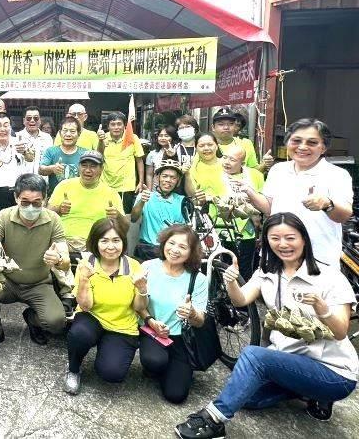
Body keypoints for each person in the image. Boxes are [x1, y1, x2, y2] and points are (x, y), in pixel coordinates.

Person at [175, 213, 358, 438]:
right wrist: (231, 281)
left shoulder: (330, 277)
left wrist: (323, 309)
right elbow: (241, 300)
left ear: (304, 239)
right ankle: (305, 390)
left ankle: (214, 420)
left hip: (333, 372)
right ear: (267, 241)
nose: (283, 244)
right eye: (275, 238)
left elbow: (340, 331)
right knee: (246, 397)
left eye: (290, 238)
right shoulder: (268, 271)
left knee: (254, 356)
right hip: (291, 360)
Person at [0, 173, 70, 358]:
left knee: (57, 323)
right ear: (16, 198)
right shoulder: (4, 216)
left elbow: (65, 262)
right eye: (25, 202)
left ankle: (32, 319)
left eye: (37, 202)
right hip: (7, 280)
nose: (31, 207)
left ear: (45, 199)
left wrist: (58, 259)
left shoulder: (54, 220)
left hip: (39, 283)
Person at [242, 118, 353, 268]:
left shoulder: (337, 175)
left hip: (317, 258)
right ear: (287, 143)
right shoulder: (278, 170)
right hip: (277, 254)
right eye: (296, 141)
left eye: (312, 142)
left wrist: (327, 204)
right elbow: (270, 208)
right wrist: (249, 191)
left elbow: (344, 215)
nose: (302, 147)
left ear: (324, 148)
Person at [63, 218, 147, 394]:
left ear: (123, 242)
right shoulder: (87, 264)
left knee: (112, 374)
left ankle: (106, 345)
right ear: (95, 242)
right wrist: (85, 279)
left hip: (122, 326)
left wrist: (142, 289)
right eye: (104, 241)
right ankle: (73, 369)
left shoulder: (133, 266)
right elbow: (85, 306)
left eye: (116, 240)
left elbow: (139, 307)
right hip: (93, 317)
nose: (111, 246)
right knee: (79, 334)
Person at [139, 225, 207, 404]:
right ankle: (158, 366)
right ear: (163, 243)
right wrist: (151, 321)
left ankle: (173, 369)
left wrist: (192, 313)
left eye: (183, 247)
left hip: (181, 338)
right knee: (154, 361)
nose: (175, 250)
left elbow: (200, 322)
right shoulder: (148, 267)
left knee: (176, 395)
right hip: (152, 330)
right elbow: (137, 305)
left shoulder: (197, 279)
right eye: (171, 243)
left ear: (191, 252)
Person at [48, 150, 127, 254]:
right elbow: (46, 215)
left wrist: (117, 216)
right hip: (63, 241)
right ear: (78, 167)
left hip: (95, 244)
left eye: (93, 166)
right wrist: (59, 209)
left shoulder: (111, 193)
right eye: (84, 165)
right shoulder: (64, 185)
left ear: (101, 169)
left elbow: (125, 228)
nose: (88, 170)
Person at [216, 144, 265, 281]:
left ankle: (243, 300)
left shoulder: (255, 175)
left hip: (247, 231)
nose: (226, 162)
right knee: (222, 269)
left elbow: (263, 201)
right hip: (220, 229)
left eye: (232, 159)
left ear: (242, 162)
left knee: (244, 270)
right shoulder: (214, 174)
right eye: (225, 157)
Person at [131, 161, 187, 261]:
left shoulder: (182, 201)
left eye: (173, 178)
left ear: (178, 181)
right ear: (157, 178)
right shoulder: (145, 195)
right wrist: (142, 202)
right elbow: (134, 218)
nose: (168, 180)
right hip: (147, 248)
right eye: (165, 176)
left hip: (171, 251)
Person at [0, 113, 29, 222]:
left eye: (6, 125)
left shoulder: (19, 143)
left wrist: (26, 153)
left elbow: (30, 157)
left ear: (10, 127)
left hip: (18, 192)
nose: (2, 129)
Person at [100, 111, 146, 213]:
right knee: (106, 214)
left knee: (124, 215)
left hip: (126, 186)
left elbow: (139, 161)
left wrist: (141, 182)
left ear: (125, 125)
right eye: (113, 124)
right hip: (106, 184)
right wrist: (100, 141)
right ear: (108, 126)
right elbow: (98, 158)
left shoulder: (133, 138)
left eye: (119, 124)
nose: (116, 127)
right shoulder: (102, 139)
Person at [211, 107, 274, 174]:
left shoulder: (246, 144)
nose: (226, 127)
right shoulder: (206, 145)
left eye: (231, 124)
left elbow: (254, 172)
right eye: (221, 124)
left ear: (235, 126)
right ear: (213, 127)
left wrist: (264, 164)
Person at [39, 116, 88, 195]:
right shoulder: (51, 151)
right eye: (65, 131)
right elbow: (41, 170)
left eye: (72, 131)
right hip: (54, 198)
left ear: (79, 134)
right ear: (59, 133)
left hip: (79, 196)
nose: (68, 134)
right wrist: (52, 168)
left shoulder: (85, 154)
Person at [184, 133, 224, 206]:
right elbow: (193, 197)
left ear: (217, 146)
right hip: (204, 212)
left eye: (210, 145)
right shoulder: (192, 169)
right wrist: (187, 174)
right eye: (201, 146)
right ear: (196, 148)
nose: (206, 148)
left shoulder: (227, 164)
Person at [16, 106, 53, 178]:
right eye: (28, 118)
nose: (32, 121)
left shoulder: (47, 138)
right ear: (24, 121)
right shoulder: (16, 137)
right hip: (22, 182)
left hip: (42, 182)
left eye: (36, 118)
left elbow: (50, 160)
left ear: (40, 120)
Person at [145, 126, 179, 190]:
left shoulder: (179, 151)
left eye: (166, 136)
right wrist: (149, 191)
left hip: (174, 190)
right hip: (156, 191)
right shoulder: (152, 154)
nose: (163, 138)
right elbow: (149, 175)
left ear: (172, 137)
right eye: (160, 135)